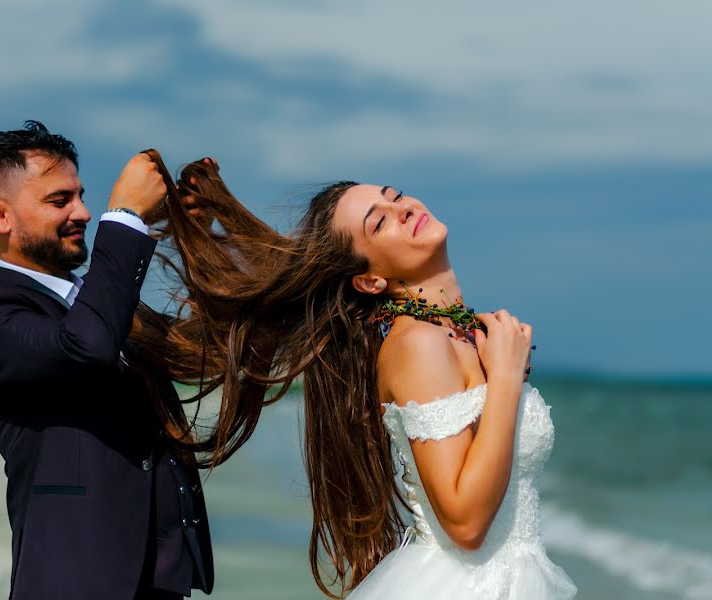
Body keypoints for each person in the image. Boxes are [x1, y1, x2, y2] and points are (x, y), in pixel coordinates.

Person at [138, 156, 577, 599]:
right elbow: (464, 522)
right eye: (377, 223)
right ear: (369, 281)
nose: (402, 209)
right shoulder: (417, 345)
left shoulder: (456, 334)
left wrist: (501, 366)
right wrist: (503, 378)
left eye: (395, 196)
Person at [0, 121, 213, 600]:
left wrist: (199, 241)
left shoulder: (98, 304)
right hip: (74, 579)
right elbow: (85, 346)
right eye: (59, 200)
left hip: (160, 577)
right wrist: (126, 217)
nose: (84, 213)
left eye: (81, 196)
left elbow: (199, 352)